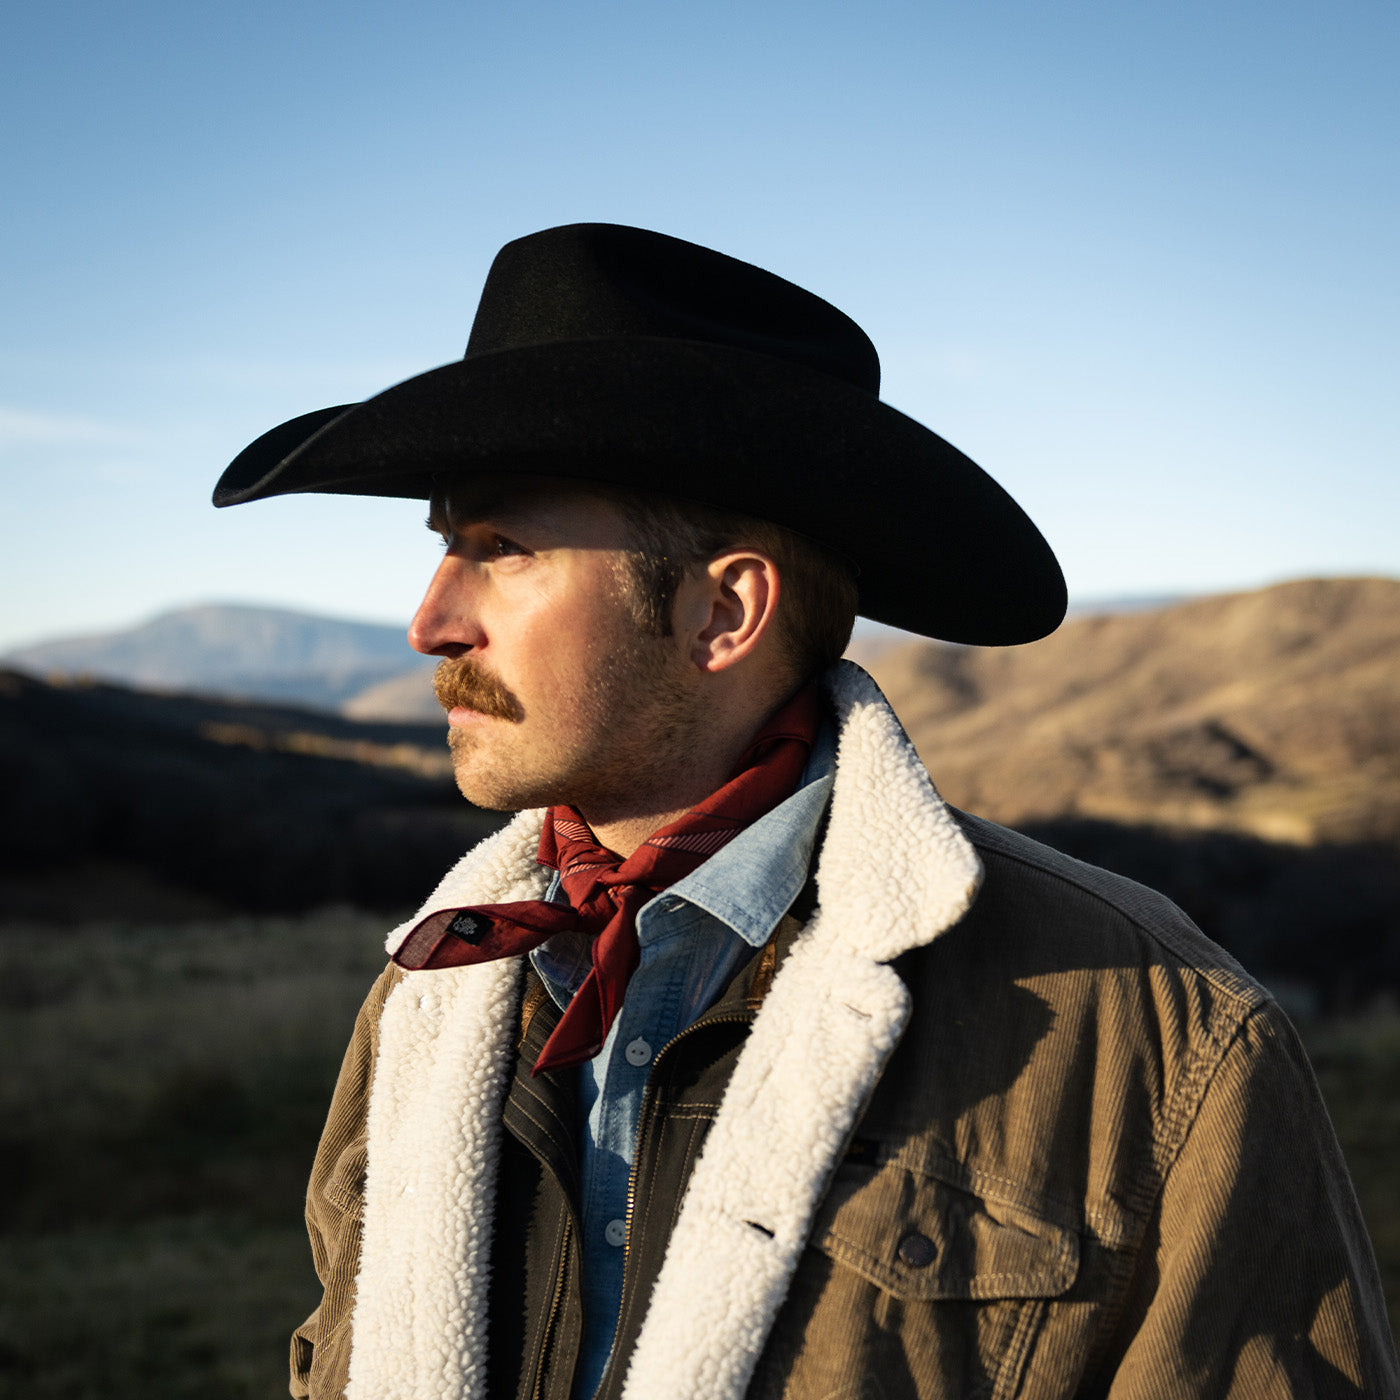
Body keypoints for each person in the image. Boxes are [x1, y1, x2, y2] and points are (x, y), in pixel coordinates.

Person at [214, 224, 1398, 1400]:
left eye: (502, 547)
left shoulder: (1162, 1032)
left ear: (722, 612)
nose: (429, 621)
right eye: (445, 548)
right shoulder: (433, 991)